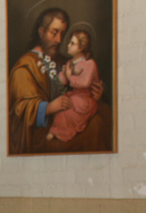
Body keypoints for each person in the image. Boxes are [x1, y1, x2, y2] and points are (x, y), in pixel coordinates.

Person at [8, 8, 110, 154]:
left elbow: (84, 80)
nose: (59, 40)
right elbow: (19, 110)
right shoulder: (24, 68)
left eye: (63, 33)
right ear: (41, 32)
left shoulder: (64, 61)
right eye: (54, 33)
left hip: (70, 121)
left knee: (101, 118)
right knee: (95, 127)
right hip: (41, 135)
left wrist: (98, 92)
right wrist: (49, 107)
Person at [47, 28, 100, 142]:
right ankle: (55, 131)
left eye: (72, 43)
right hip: (75, 95)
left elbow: (85, 82)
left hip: (86, 99)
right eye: (69, 42)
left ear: (81, 48)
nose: (68, 45)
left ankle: (60, 133)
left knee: (66, 113)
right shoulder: (70, 62)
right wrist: (63, 75)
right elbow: (63, 81)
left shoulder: (89, 63)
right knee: (61, 105)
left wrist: (69, 76)